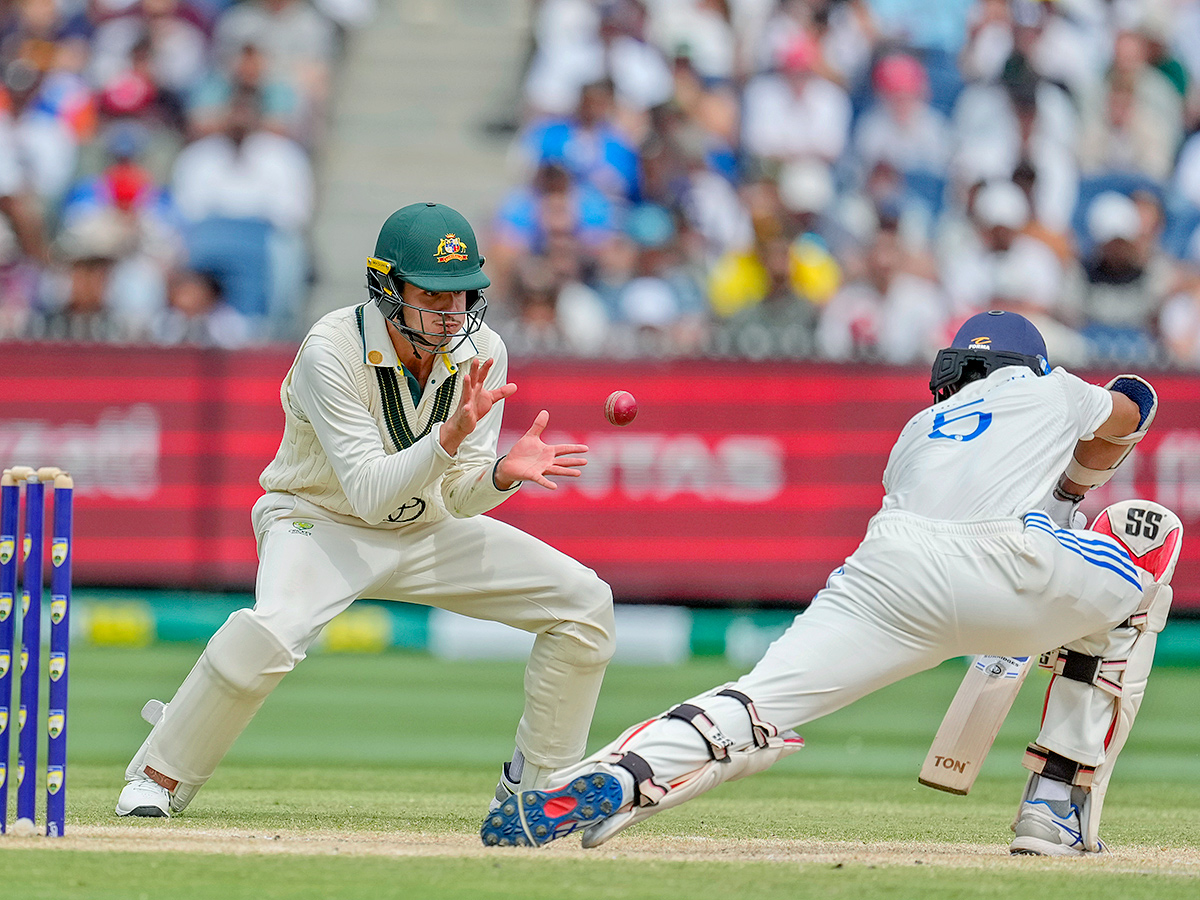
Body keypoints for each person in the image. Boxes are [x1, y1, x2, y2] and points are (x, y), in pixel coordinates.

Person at [482, 309, 1182, 856]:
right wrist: (1069, 498)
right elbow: (1134, 406)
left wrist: (1049, 513)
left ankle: (620, 775)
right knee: (1147, 534)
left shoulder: (919, 428)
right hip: (1011, 563)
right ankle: (1053, 804)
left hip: (886, 570)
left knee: (759, 698)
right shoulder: (1047, 386)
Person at [116, 201, 616, 818]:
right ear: (387, 288)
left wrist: (498, 475)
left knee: (585, 605)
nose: (450, 313)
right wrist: (447, 440)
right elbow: (369, 493)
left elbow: (458, 496)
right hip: (320, 521)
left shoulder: (483, 349)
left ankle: (535, 795)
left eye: (462, 295)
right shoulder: (330, 349)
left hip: (428, 525)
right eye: (432, 295)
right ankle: (160, 776)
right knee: (269, 631)